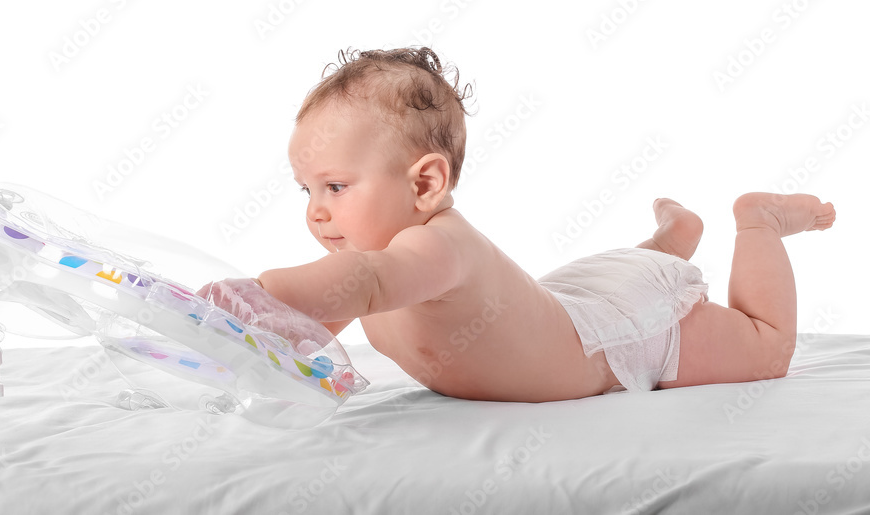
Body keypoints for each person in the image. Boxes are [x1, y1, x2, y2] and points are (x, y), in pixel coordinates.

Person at [236, 47, 836, 403]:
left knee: (766, 350)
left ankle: (757, 223)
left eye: (335, 187)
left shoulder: (436, 248)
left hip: (622, 338)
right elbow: (319, 321)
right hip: (585, 297)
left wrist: (259, 295)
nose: (316, 210)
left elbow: (358, 281)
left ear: (425, 183)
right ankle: (666, 245)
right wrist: (261, 342)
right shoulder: (373, 269)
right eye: (307, 190)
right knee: (630, 275)